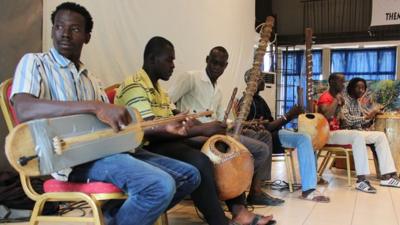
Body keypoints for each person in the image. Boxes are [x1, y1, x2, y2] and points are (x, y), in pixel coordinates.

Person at [10, 3, 200, 225]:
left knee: (190, 175)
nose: (64, 33)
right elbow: (24, 109)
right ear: (52, 29)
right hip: (68, 160)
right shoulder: (35, 62)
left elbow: (114, 129)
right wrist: (94, 106)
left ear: (87, 37)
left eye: (75, 29)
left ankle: (115, 217)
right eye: (59, 26)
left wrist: (163, 127)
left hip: (106, 151)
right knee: (160, 185)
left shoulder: (92, 79)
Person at [115, 37, 276, 225]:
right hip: (146, 145)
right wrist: (201, 129)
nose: (173, 65)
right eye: (169, 60)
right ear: (151, 59)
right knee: (201, 160)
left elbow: (173, 114)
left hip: (166, 141)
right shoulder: (135, 85)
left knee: (222, 147)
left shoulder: (159, 89)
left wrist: (196, 125)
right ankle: (219, 221)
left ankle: (239, 210)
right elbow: (151, 129)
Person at [168, 46, 284, 206]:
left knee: (265, 136)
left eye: (221, 64)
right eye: (214, 62)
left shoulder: (218, 90)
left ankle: (254, 190)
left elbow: (222, 119)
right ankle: (231, 184)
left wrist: (243, 125)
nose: (217, 67)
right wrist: (185, 119)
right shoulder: (191, 78)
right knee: (261, 150)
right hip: (201, 135)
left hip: (218, 132)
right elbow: (167, 102)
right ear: (207, 60)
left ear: (226, 66)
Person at [237, 70, 329, 202]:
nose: (263, 80)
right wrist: (289, 115)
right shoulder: (247, 101)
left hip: (274, 135)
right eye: (260, 78)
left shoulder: (259, 100)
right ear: (252, 82)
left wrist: (290, 117)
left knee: (307, 137)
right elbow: (264, 129)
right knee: (303, 138)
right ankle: (309, 189)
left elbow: (271, 124)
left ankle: (312, 182)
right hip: (264, 139)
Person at [317, 73, 400, 193]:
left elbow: (356, 121)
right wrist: (337, 101)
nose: (343, 84)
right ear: (332, 82)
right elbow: (327, 116)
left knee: (380, 136)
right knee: (357, 134)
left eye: (344, 81)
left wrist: (370, 117)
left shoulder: (345, 99)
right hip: (327, 134)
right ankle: (361, 180)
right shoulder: (326, 97)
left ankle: (388, 175)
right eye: (341, 81)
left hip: (342, 133)